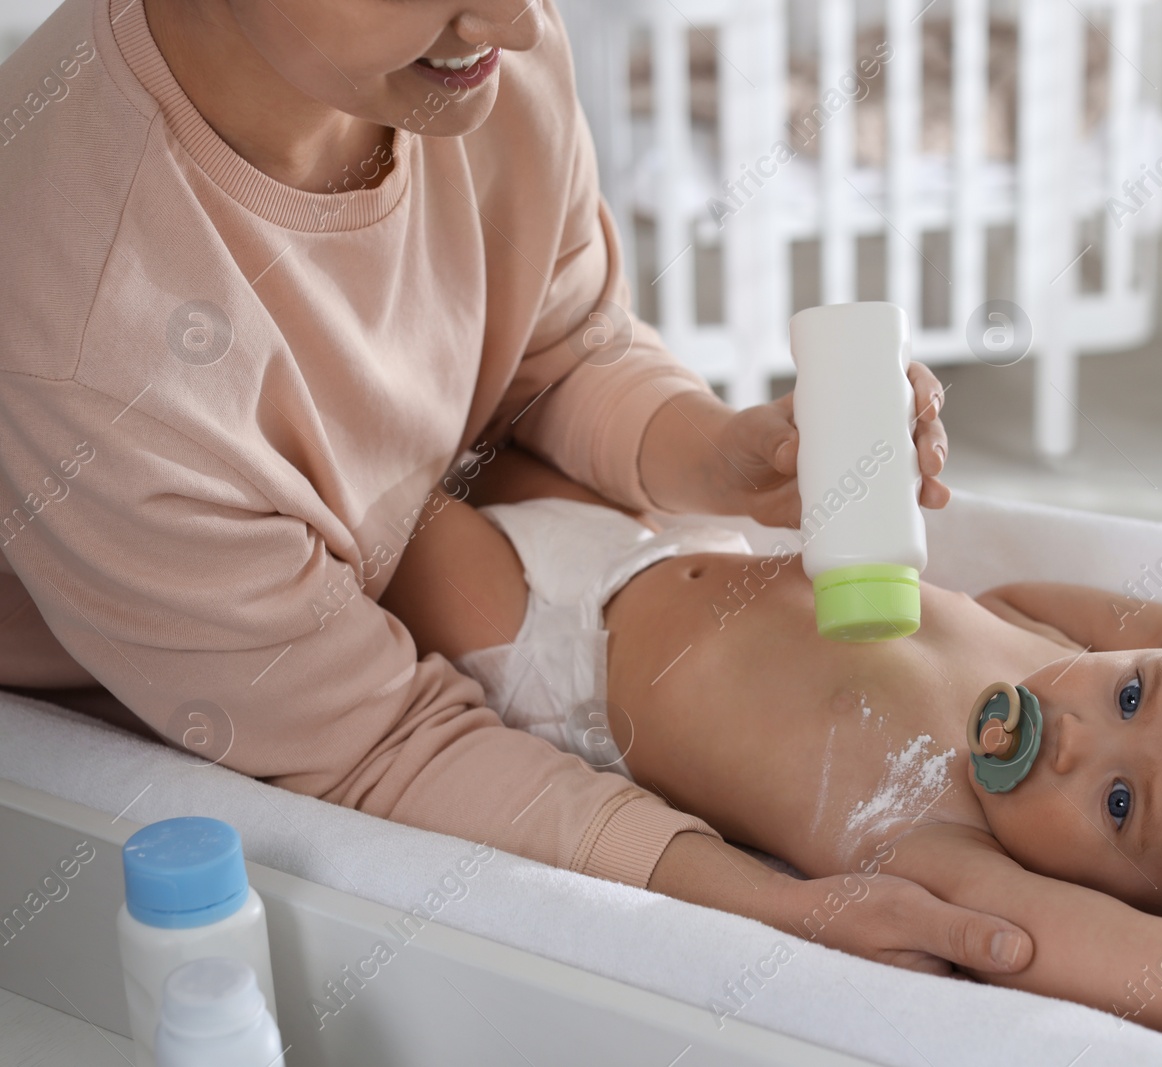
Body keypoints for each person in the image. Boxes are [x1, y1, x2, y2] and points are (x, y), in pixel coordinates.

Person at [0, 0, 1038, 977]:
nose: (515, 16)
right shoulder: (86, 336)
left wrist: (723, 455)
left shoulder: (478, 67)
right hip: (207, 666)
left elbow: (561, 349)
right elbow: (380, 742)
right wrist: (750, 903)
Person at [375, 460, 1162, 1067]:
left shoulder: (948, 844)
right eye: (1133, 692)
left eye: (1118, 801)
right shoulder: (1058, 663)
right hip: (663, 544)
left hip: (563, 651)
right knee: (506, 429)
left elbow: (1053, 945)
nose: (1074, 734)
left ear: (1111, 887)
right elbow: (1046, 603)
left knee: (399, 511)